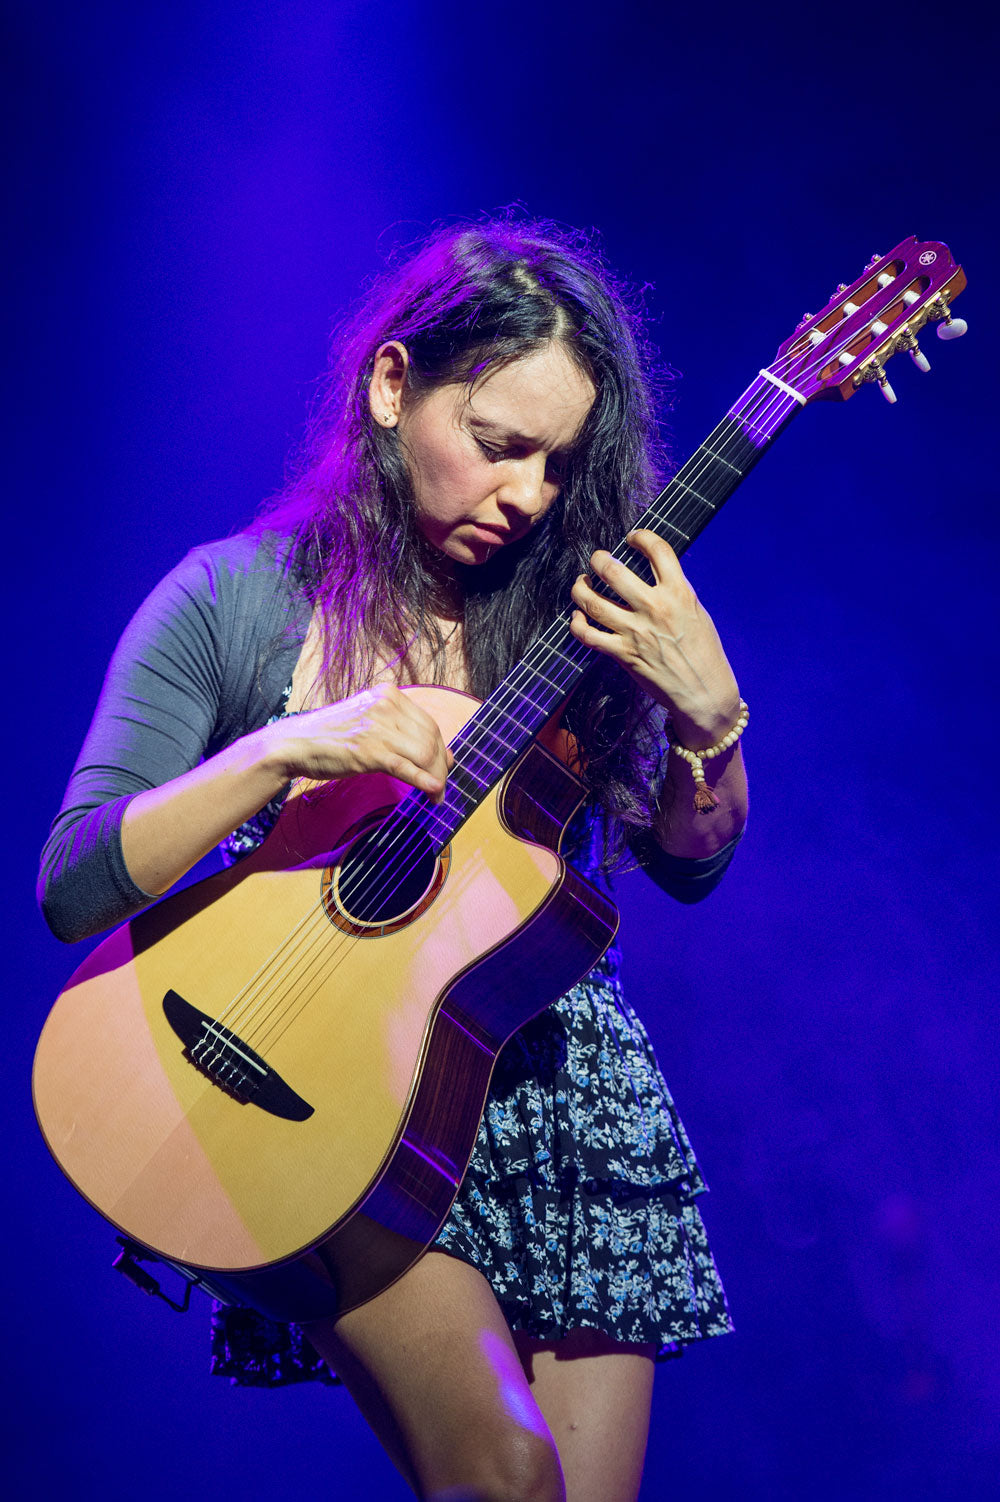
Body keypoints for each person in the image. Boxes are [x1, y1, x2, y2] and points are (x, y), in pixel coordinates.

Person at [38, 218, 748, 1502]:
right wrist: (285, 748)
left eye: (554, 461)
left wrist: (710, 723)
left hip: (554, 1087)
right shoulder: (234, 598)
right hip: (330, 1087)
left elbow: (688, 860)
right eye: (495, 444)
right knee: (506, 1475)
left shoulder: (574, 623)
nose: (526, 493)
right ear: (389, 386)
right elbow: (77, 879)